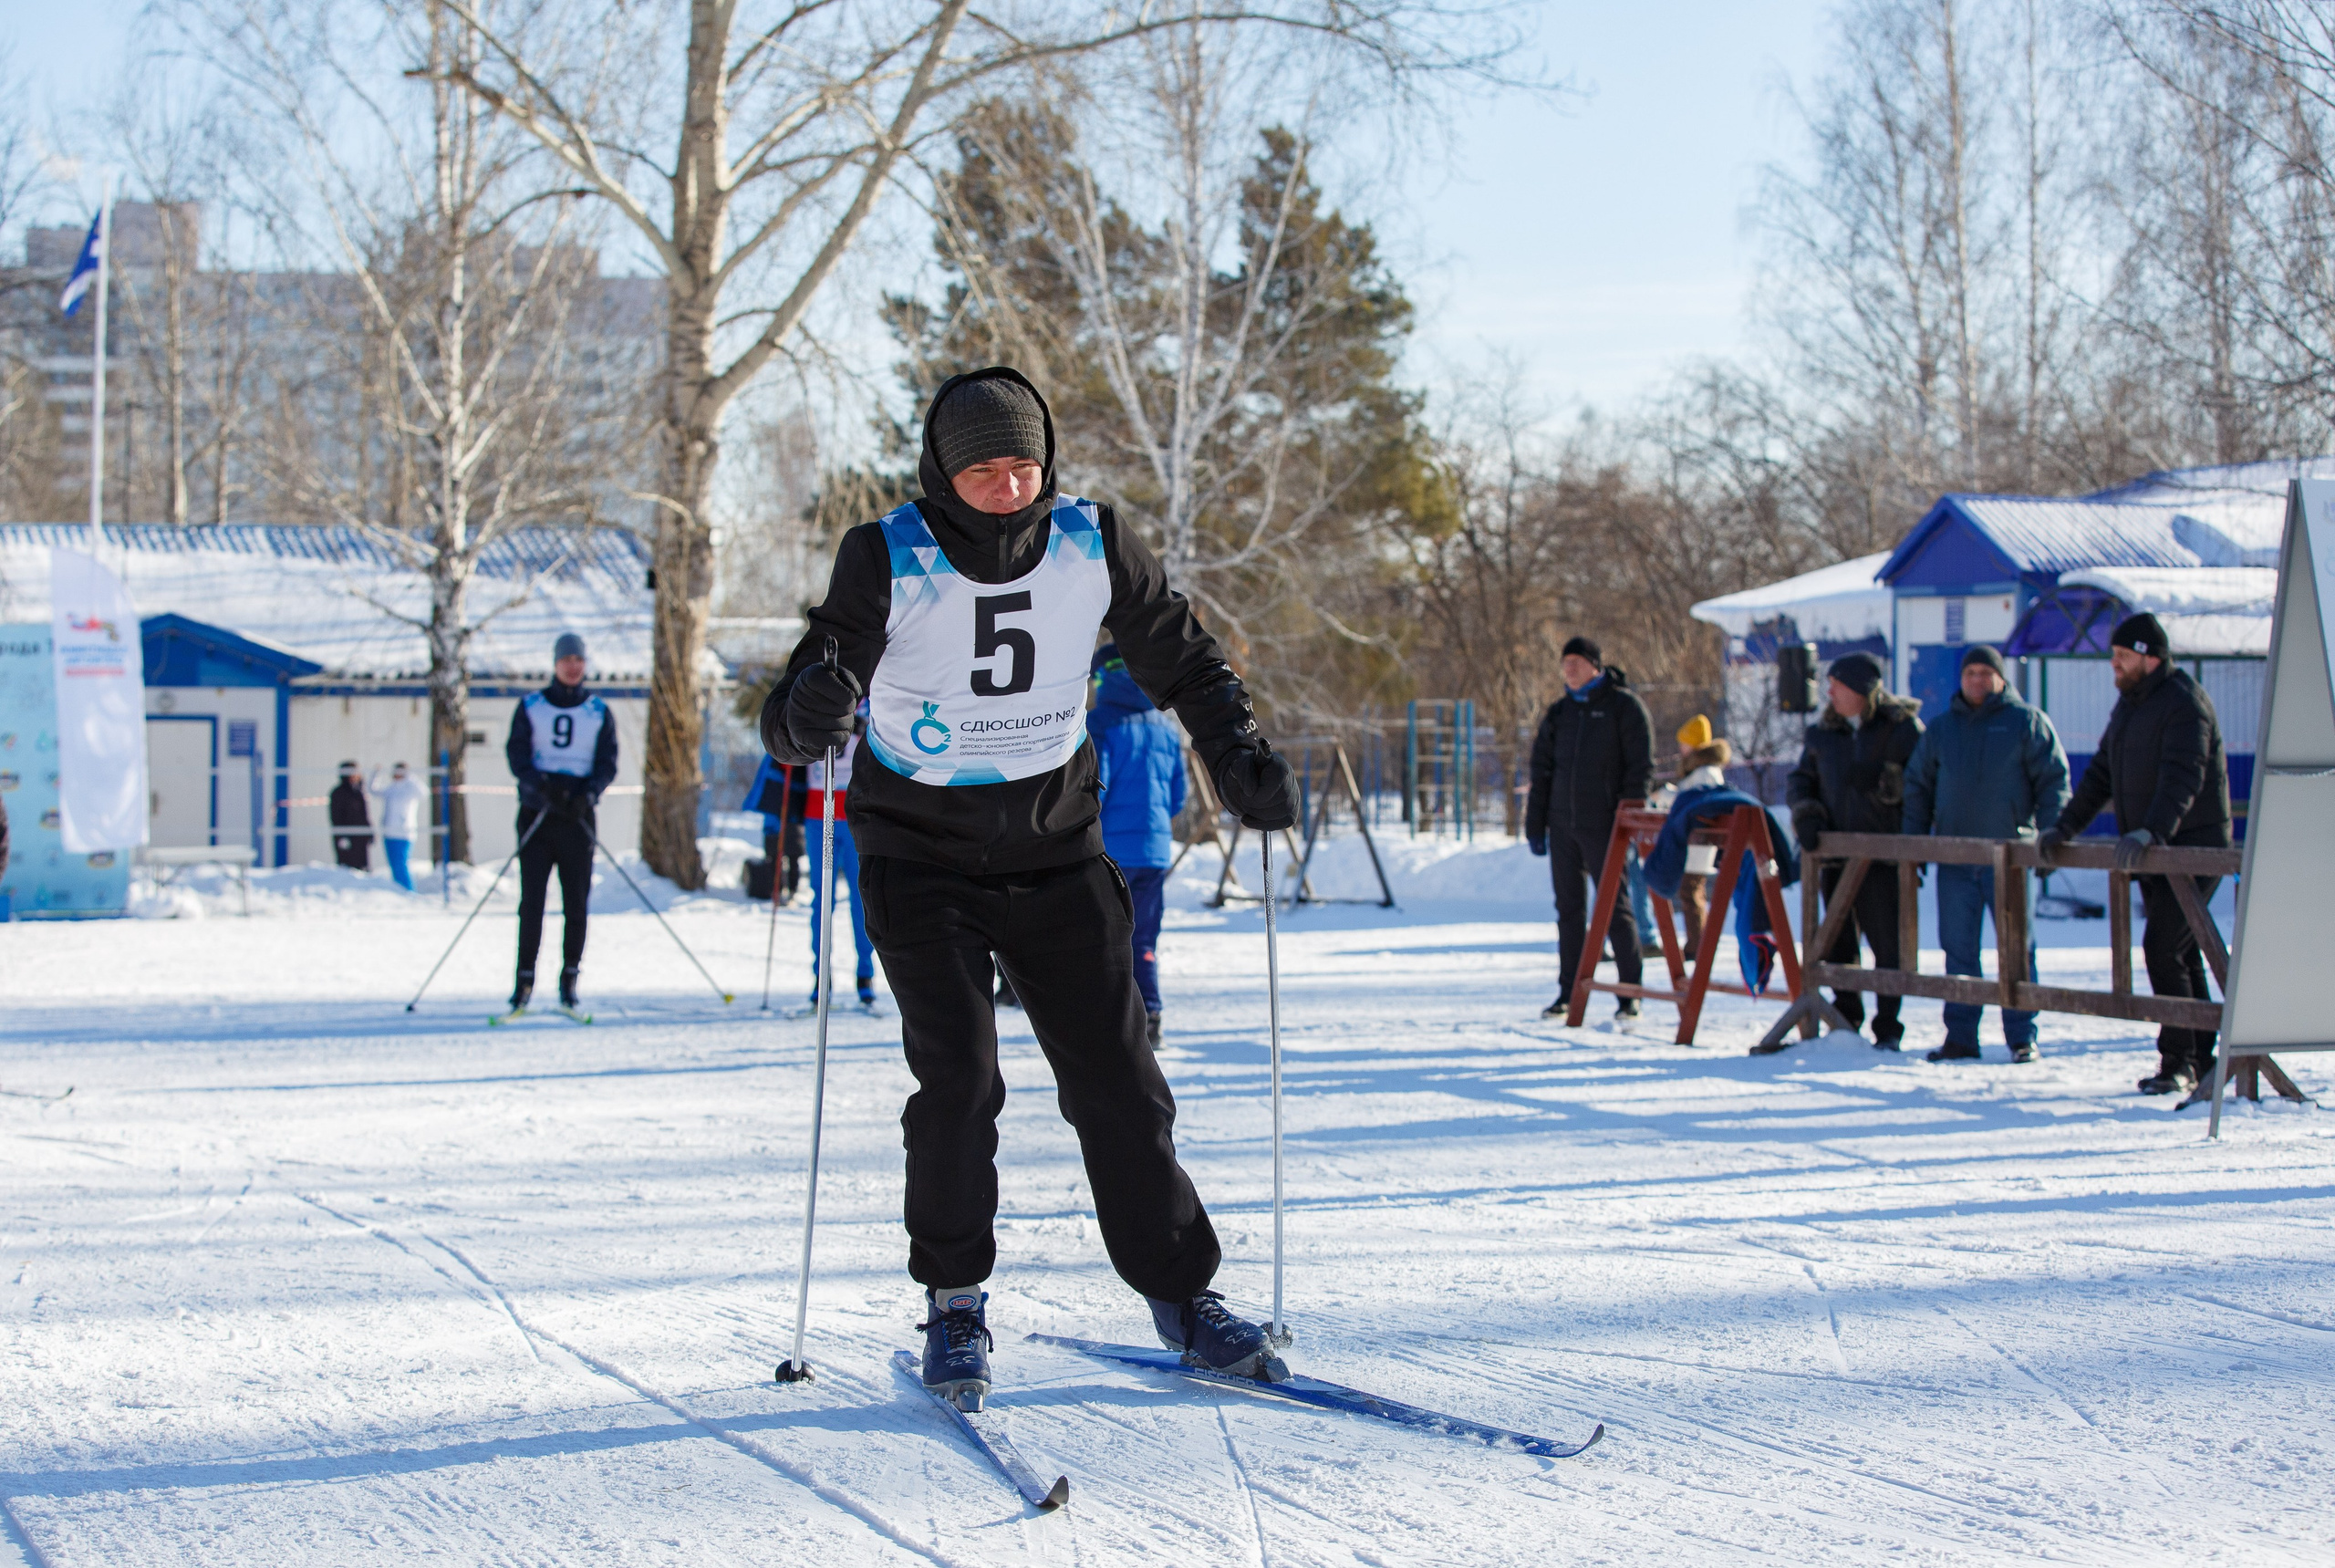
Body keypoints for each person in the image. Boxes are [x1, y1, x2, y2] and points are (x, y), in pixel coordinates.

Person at [759, 367, 1301, 1405]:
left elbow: (1183, 662)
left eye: (1022, 466)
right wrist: (810, 712)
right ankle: (954, 1301)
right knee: (960, 1081)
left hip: (1055, 852)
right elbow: (799, 707)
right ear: (942, 472)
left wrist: (1235, 754)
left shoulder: (1094, 543)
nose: (1006, 487)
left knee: (1120, 1082)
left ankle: (1184, 1295)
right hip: (917, 855)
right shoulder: (884, 554)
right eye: (981, 471)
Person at [2039, 613, 2231, 1096]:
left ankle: (2181, 1060)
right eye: (2114, 658)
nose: (2115, 667)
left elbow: (2183, 776)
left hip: (2192, 848)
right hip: (2151, 850)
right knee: (2179, 951)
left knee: (2165, 947)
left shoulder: (2185, 704)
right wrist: (2066, 826)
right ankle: (2201, 1057)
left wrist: (2153, 830)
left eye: (2123, 657)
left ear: (2150, 657)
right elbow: (2101, 773)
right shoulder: (2130, 706)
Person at [1901, 645, 2070, 1064]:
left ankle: (2021, 1035)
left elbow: (2053, 782)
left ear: (2000, 677)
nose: (1976, 680)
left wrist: (2052, 838)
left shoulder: (2025, 722)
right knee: (1957, 950)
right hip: (1956, 858)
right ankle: (1961, 1035)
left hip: (2010, 859)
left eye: (1984, 673)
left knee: (2016, 948)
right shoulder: (1942, 729)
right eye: (1969, 673)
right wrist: (1915, 843)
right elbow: (1918, 785)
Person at [1785, 652, 1925, 1049]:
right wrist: (1807, 815)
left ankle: (1888, 1027)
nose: (1829, 692)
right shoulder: (1822, 734)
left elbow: (1924, 786)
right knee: (1837, 941)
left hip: (1883, 859)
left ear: (1862, 689)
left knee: (1887, 945)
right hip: (1834, 856)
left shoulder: (1901, 729)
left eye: (1837, 684)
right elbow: (1800, 782)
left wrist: (1886, 781)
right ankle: (1844, 1019)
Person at [1525, 637, 1655, 1021]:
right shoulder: (1559, 714)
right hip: (1563, 826)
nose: (1569, 670)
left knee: (1615, 907)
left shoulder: (1623, 707)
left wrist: (1627, 816)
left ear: (1595, 666)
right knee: (1569, 910)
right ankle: (1568, 991)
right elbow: (1541, 772)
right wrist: (1536, 825)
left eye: (1577, 663)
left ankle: (1629, 994)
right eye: (1565, 663)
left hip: (1607, 827)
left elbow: (1640, 768)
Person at [504, 632, 618, 1014]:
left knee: (577, 904)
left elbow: (607, 761)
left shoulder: (599, 711)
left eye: (579, 660)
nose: (573, 666)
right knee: (532, 902)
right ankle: (523, 981)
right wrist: (540, 788)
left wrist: (589, 793)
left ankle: (570, 980)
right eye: (566, 659)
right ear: (555, 663)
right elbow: (517, 754)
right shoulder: (532, 706)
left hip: (578, 817)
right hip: (539, 814)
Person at [1089, 641, 1188, 1048]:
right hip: (1154, 851)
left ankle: (1110, 1021)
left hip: (1110, 851)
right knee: (1143, 937)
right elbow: (1177, 795)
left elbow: (1096, 789)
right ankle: (1150, 1012)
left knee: (1102, 936)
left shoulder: (1100, 723)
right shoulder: (1165, 728)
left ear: (1101, 677)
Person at [803, 701, 877, 1009]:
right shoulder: (814, 687)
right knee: (822, 899)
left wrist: (866, 728)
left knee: (863, 899)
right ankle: (821, 978)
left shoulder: (875, 694)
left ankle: (865, 976)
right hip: (818, 810)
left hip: (856, 809)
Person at [1657, 714, 1733, 961]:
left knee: (1692, 890)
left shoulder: (1705, 773)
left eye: (1685, 743)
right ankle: (1697, 943)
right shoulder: (1700, 771)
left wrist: (1670, 796)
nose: (1681, 748)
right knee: (1690, 890)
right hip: (1695, 837)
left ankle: (1699, 945)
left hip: (1701, 839)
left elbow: (1694, 801)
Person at [378, 762, 426, 892]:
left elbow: (424, 792)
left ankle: (408, 890)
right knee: (394, 865)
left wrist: (410, 776)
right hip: (389, 832)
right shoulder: (391, 788)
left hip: (405, 832)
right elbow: (374, 791)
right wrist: (376, 774)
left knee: (401, 864)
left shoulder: (410, 788)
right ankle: (399, 890)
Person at [328, 761, 371, 871]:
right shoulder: (338, 793)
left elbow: (364, 814)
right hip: (347, 839)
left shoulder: (359, 792)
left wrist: (369, 831)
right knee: (347, 869)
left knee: (362, 868)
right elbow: (335, 817)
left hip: (361, 838)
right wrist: (341, 837)